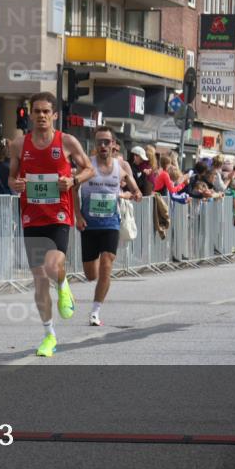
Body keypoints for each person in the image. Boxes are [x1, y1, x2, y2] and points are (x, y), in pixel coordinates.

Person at [9, 92, 94, 358]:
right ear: (30, 114)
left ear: (55, 115)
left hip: (59, 215)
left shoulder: (66, 141)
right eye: (37, 111)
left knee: (51, 265)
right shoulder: (19, 144)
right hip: (31, 216)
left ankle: (63, 283)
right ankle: (49, 335)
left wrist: (73, 181)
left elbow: (89, 168)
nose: (42, 116)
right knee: (39, 281)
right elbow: (12, 177)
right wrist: (16, 184)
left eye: (46, 111)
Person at [74, 126, 141, 327]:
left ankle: (95, 312)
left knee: (106, 264)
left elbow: (133, 186)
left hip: (111, 223)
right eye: (99, 142)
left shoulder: (121, 166)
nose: (103, 145)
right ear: (95, 144)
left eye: (106, 142)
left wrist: (136, 193)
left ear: (113, 144)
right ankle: (94, 282)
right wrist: (78, 216)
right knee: (91, 275)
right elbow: (73, 190)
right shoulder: (87, 165)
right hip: (89, 224)